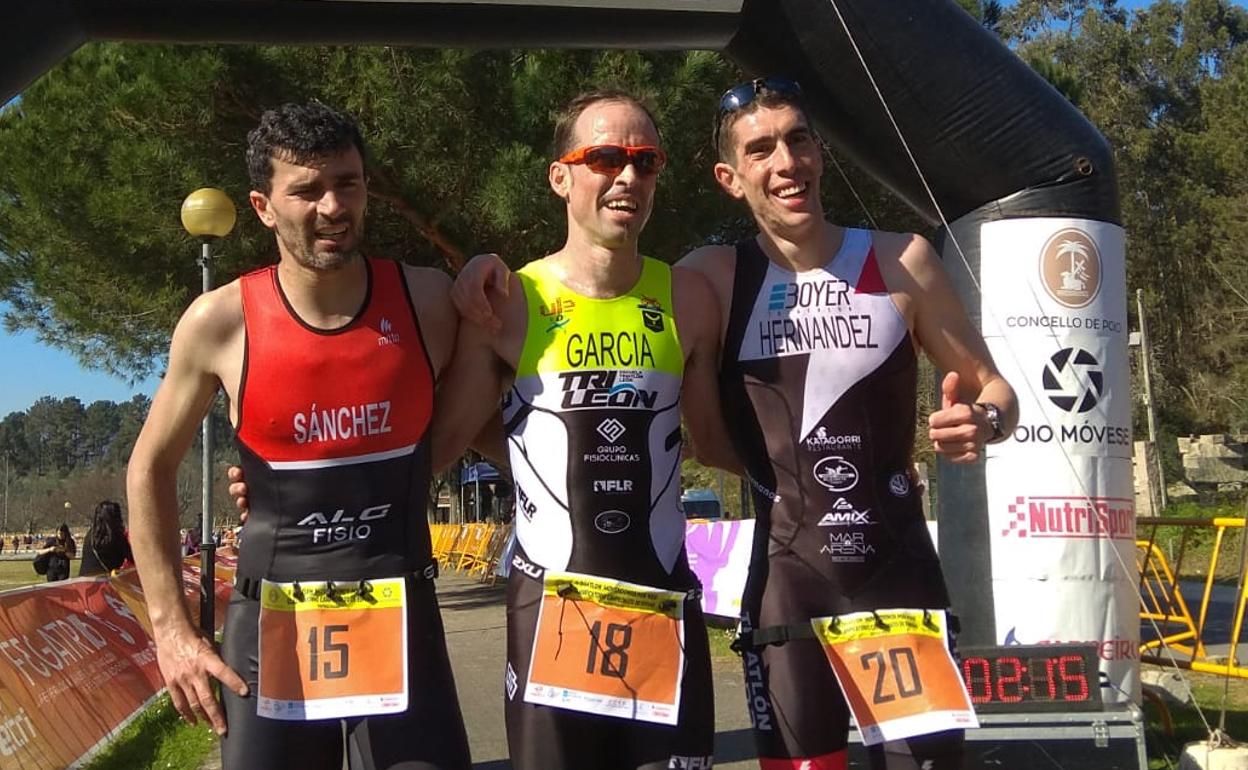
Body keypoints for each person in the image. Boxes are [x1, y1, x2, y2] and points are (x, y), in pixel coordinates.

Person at [454, 78, 1018, 770]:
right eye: (761, 149)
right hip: (786, 579)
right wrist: (484, 271)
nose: (787, 162)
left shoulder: (903, 260)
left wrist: (983, 420)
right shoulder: (709, 279)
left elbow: (995, 390)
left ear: (818, 152)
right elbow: (611, 317)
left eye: (799, 139)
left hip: (898, 579)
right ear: (729, 177)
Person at [126, 101, 471, 770]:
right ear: (263, 206)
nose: (332, 206)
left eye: (348, 182)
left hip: (401, 616)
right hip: (271, 627)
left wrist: (490, 274)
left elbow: (489, 416)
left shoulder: (429, 301)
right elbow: (148, 470)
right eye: (307, 189)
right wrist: (172, 630)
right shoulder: (220, 322)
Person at [430, 90, 730, 770]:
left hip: (659, 600)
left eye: (645, 161)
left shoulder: (689, 298)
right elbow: (442, 445)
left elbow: (713, 443)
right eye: (604, 157)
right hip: (552, 610)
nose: (627, 176)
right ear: (560, 177)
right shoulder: (509, 303)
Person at [79, 500, 133, 576]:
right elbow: (131, 556)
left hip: (87, 580)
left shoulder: (90, 535)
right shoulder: (116, 536)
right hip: (107, 581)